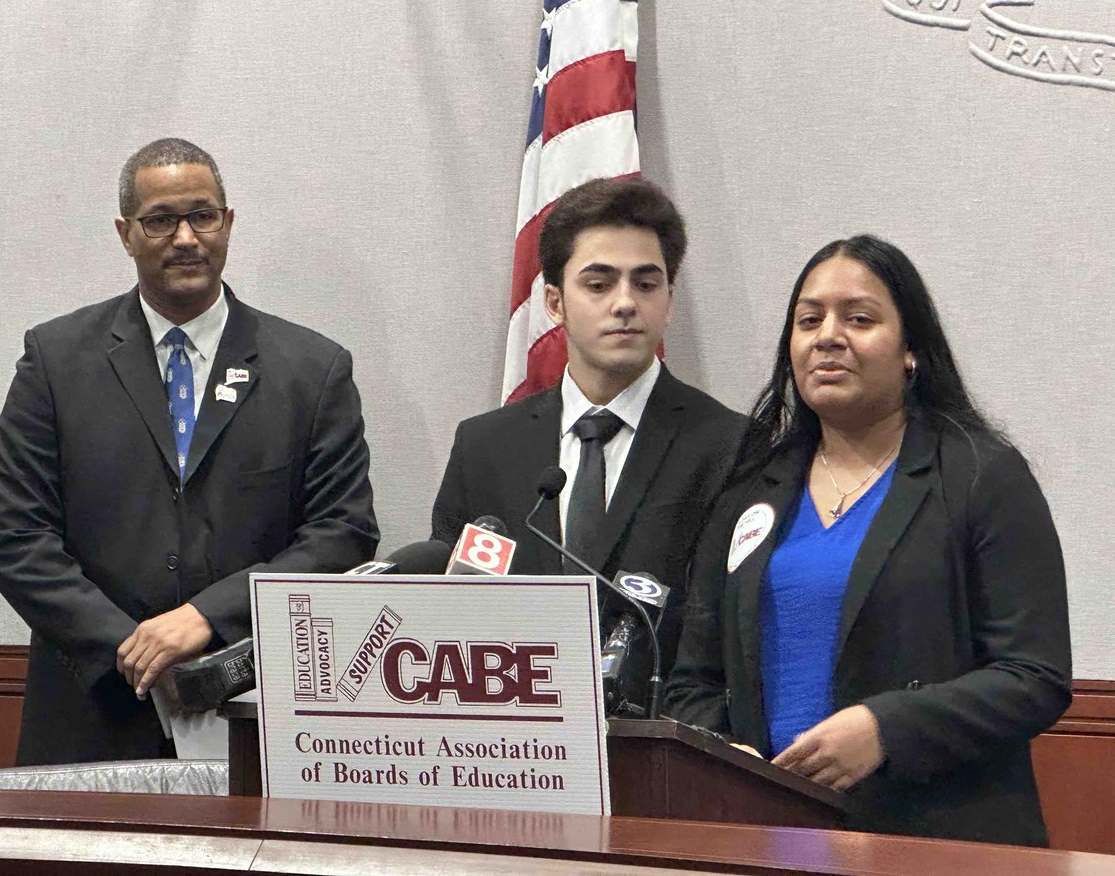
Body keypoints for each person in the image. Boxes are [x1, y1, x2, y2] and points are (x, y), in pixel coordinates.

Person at [0, 138, 379, 764]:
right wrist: (132, 648)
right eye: (161, 220)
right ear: (125, 233)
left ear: (229, 222)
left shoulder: (312, 370)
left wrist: (208, 618)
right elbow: (13, 536)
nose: (186, 236)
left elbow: (343, 534)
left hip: (258, 708)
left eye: (203, 215)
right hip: (95, 713)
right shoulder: (56, 361)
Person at [665, 235, 1071, 845]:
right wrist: (727, 752)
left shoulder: (980, 474)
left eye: (859, 318)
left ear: (911, 350)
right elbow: (691, 682)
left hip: (936, 837)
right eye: (809, 320)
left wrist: (885, 730)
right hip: (774, 835)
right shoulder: (750, 488)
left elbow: (1034, 675)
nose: (828, 336)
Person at [432, 177, 745, 694]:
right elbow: (452, 621)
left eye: (646, 284)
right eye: (598, 284)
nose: (625, 303)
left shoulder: (727, 445)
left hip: (663, 745)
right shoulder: (484, 448)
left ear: (670, 299)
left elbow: (725, 632)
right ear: (554, 302)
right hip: (513, 749)